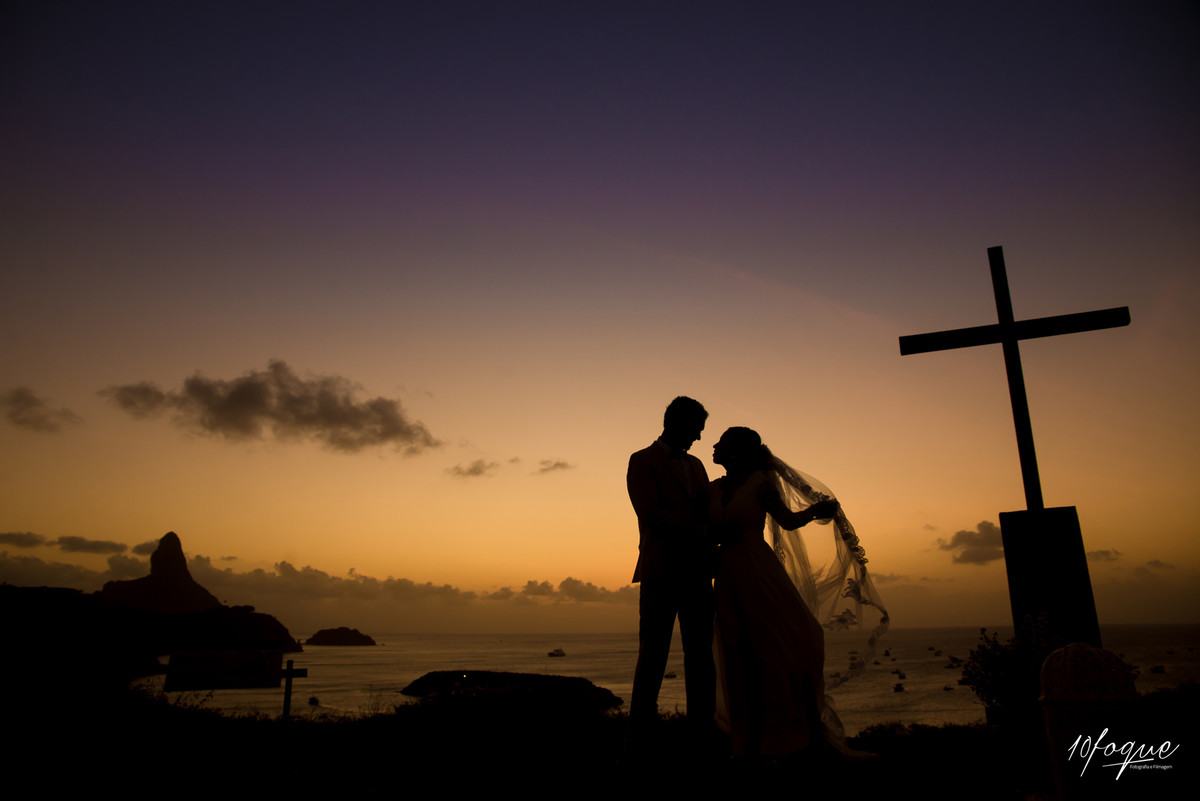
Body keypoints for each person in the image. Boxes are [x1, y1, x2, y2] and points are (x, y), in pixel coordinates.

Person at [708, 426, 888, 759]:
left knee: (770, 645)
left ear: (735, 452)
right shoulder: (713, 488)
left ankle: (782, 733)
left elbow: (787, 521)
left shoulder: (759, 483)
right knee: (735, 650)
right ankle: (746, 734)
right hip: (727, 575)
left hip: (756, 570)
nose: (714, 446)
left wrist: (815, 513)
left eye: (722, 442)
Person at [627, 396, 716, 731]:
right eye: (696, 429)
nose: (699, 437)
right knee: (653, 656)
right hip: (661, 571)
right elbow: (650, 511)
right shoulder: (642, 461)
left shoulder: (696, 465)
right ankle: (639, 733)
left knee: (701, 657)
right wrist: (699, 530)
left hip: (698, 572)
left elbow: (707, 504)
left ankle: (702, 731)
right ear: (676, 423)